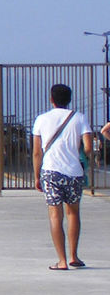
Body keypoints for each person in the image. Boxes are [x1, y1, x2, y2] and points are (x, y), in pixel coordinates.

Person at [32, 83, 93, 271]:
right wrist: (81, 156)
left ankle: (62, 261)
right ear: (70, 99)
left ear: (51, 99)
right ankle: (74, 256)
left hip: (51, 171)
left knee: (54, 216)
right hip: (74, 172)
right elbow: (89, 147)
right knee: (73, 213)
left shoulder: (41, 120)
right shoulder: (79, 118)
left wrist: (36, 176)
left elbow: (36, 153)